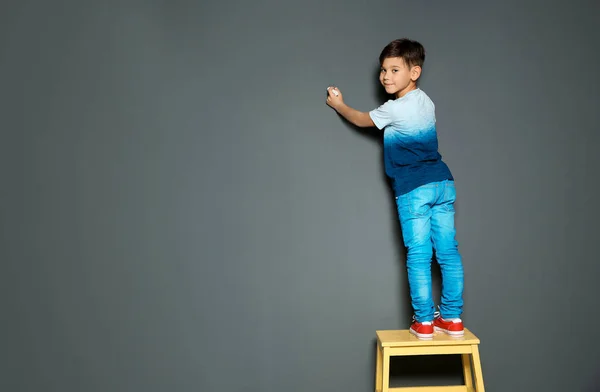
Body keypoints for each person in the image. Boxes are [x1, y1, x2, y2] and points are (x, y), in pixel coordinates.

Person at [325, 38, 465, 339]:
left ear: (414, 72)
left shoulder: (394, 109)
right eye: (383, 70)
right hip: (443, 182)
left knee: (418, 254)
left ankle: (424, 321)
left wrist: (338, 104)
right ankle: (452, 318)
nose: (385, 76)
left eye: (394, 69)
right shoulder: (427, 101)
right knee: (448, 253)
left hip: (414, 188)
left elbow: (362, 119)